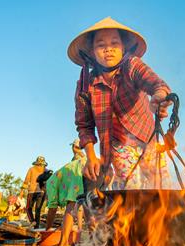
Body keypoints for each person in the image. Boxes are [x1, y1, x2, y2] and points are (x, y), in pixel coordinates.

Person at [69, 17, 172, 190]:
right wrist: (91, 156)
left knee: (162, 186)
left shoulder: (132, 65)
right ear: (92, 52)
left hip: (148, 137)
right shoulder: (86, 84)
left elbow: (156, 84)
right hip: (117, 144)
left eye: (114, 43)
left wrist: (159, 98)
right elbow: (84, 124)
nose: (108, 49)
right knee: (132, 188)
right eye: (101, 45)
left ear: (123, 48)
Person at [45, 139, 87, 246]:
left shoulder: (50, 183)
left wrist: (47, 229)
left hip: (77, 174)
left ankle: (63, 244)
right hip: (89, 170)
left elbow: (52, 208)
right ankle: (81, 236)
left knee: (70, 206)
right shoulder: (84, 159)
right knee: (82, 205)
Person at [22, 156, 48, 228]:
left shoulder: (32, 169)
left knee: (28, 208)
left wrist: (22, 191)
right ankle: (36, 227)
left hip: (32, 191)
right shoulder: (46, 171)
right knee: (38, 209)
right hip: (42, 192)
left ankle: (32, 221)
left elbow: (26, 181)